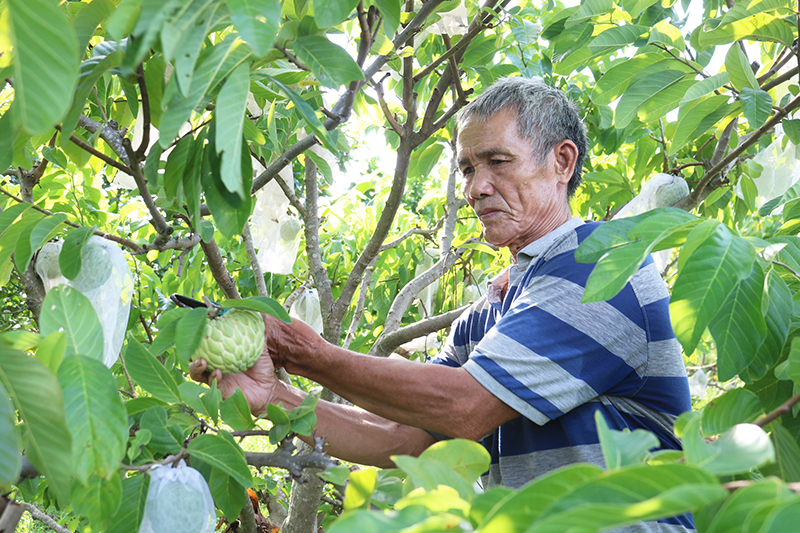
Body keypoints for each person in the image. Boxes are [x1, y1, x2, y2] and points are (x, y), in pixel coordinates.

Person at [191, 77, 693, 530]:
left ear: (561, 162)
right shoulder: (485, 318)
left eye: (498, 162)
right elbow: (401, 439)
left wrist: (303, 352)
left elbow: (465, 406)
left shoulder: (602, 268)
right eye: (468, 168)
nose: (476, 188)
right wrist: (274, 399)